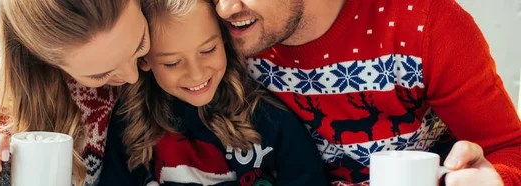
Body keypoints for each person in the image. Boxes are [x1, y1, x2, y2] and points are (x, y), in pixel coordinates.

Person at [214, 0, 521, 185]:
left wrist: (498, 178)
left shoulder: (426, 23)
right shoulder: (216, 36)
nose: (224, 8)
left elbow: (510, 148)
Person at [98, 0, 326, 185]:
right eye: (172, 63)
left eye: (208, 50)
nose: (196, 75)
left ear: (226, 39)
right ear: (143, 60)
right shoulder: (132, 120)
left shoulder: (269, 117)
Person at [0, 0, 150, 185]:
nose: (132, 76)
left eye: (141, 43)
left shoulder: (165, 15)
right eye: (101, 74)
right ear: (42, 58)